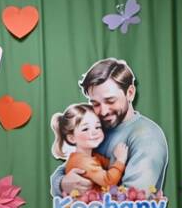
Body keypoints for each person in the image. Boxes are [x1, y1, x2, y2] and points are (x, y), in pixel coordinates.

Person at [50, 58, 167, 196]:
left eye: (110, 101)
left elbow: (132, 199)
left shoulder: (147, 137)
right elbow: (74, 163)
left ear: (130, 93)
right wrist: (62, 183)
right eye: (95, 104)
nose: (103, 111)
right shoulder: (98, 129)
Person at [50, 103, 128, 192]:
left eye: (97, 127)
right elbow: (108, 181)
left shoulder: (92, 156)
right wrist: (120, 160)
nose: (94, 132)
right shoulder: (82, 161)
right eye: (85, 129)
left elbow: (109, 164)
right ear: (72, 138)